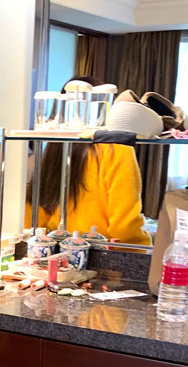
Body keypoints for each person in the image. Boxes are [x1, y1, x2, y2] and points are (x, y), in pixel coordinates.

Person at [25, 76, 151, 244]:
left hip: (56, 249)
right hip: (103, 249)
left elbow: (32, 220)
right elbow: (124, 226)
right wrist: (145, 246)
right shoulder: (117, 148)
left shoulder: (55, 149)